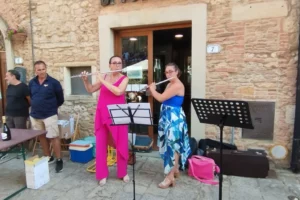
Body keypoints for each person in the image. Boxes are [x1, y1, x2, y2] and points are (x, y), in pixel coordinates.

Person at [81, 56, 130, 186]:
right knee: (101, 144)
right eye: (114, 63)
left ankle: (123, 172)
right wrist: (85, 81)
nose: (117, 65)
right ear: (109, 65)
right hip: (102, 114)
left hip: (119, 114)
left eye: (119, 63)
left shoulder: (124, 78)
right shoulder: (105, 77)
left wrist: (102, 79)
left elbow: (118, 91)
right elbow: (91, 89)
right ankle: (102, 174)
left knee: (121, 143)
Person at [148, 62, 191, 189]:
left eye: (171, 71)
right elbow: (165, 99)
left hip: (174, 119)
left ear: (177, 72)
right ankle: (175, 170)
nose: (168, 74)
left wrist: (152, 89)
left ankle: (170, 177)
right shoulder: (169, 83)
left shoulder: (177, 85)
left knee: (173, 146)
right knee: (169, 144)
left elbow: (161, 98)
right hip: (167, 117)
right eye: (166, 72)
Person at [29, 60, 64, 172]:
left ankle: (59, 159)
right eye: (39, 70)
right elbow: (31, 96)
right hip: (35, 115)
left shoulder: (54, 82)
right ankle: (48, 157)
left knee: (54, 137)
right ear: (35, 70)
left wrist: (52, 107)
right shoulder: (32, 82)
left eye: (43, 69)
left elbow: (60, 99)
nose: (41, 71)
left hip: (49, 114)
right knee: (41, 137)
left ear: (46, 68)